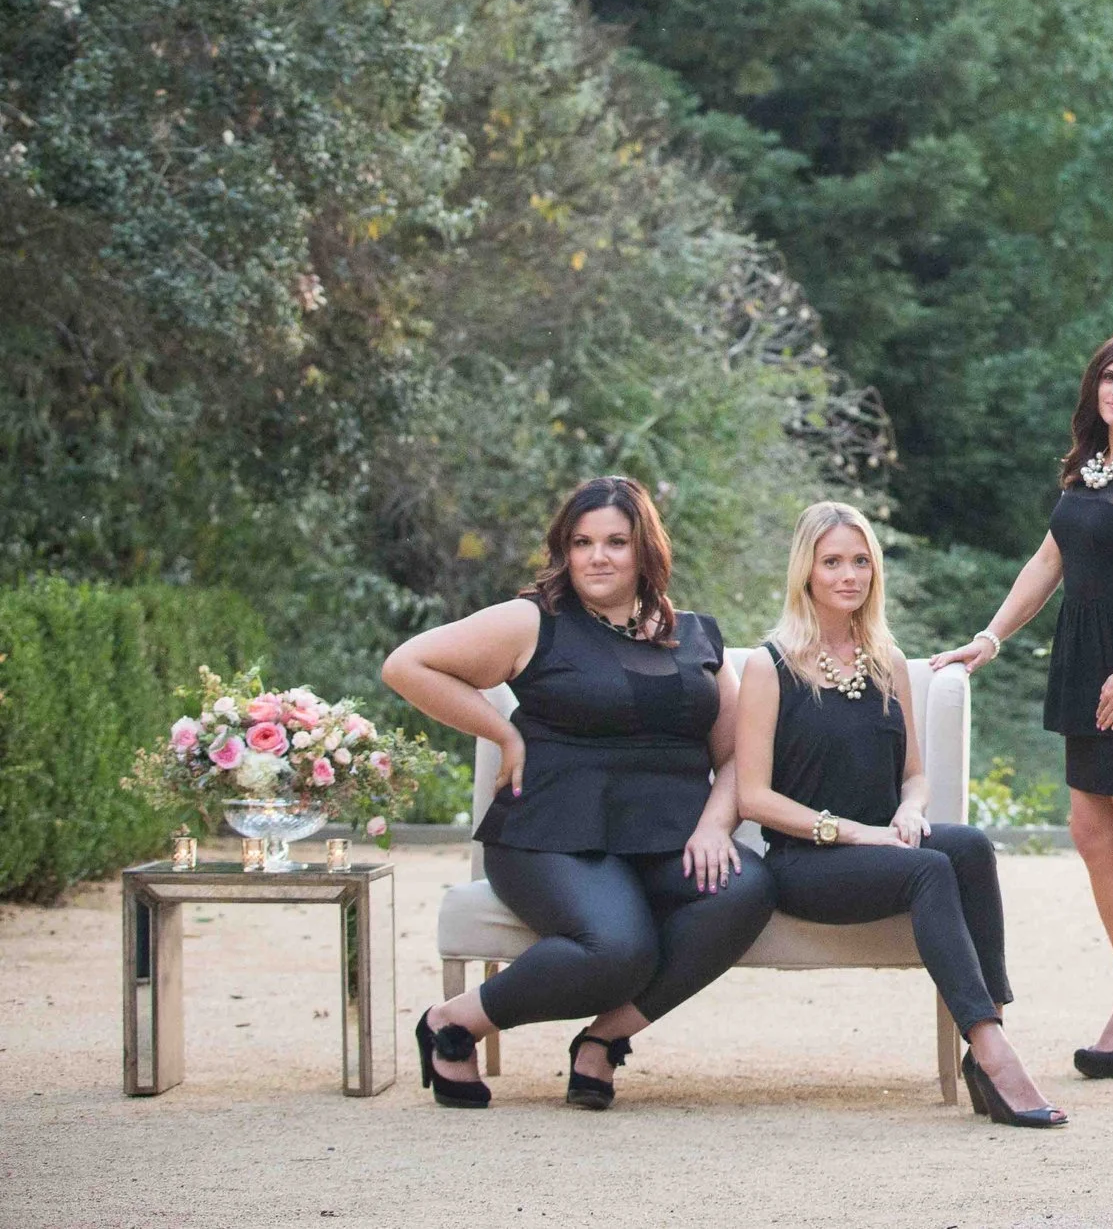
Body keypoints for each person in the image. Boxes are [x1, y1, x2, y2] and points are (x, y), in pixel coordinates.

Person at [384, 476, 773, 1111]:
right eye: (582, 542)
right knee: (618, 950)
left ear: (645, 550)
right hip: (551, 833)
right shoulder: (533, 620)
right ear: (564, 550)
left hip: (666, 837)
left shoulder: (696, 634)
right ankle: (453, 1022)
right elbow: (407, 665)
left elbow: (733, 756)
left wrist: (712, 827)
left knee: (746, 887)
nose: (597, 557)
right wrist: (503, 733)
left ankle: (604, 1040)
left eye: (616, 542)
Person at [932, 331, 1113, 1076]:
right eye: (1108, 378)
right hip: (1083, 665)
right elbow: (1049, 559)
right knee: (1091, 834)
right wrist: (989, 637)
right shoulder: (1086, 469)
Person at [737, 503, 1063, 1129]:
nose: (848, 575)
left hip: (883, 847)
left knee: (969, 846)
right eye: (832, 562)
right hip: (807, 861)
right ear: (806, 571)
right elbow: (752, 797)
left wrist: (912, 809)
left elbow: (913, 773)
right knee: (929, 870)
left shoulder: (885, 659)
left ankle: (986, 1038)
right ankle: (993, 1052)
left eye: (860, 561)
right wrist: (854, 832)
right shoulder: (769, 665)